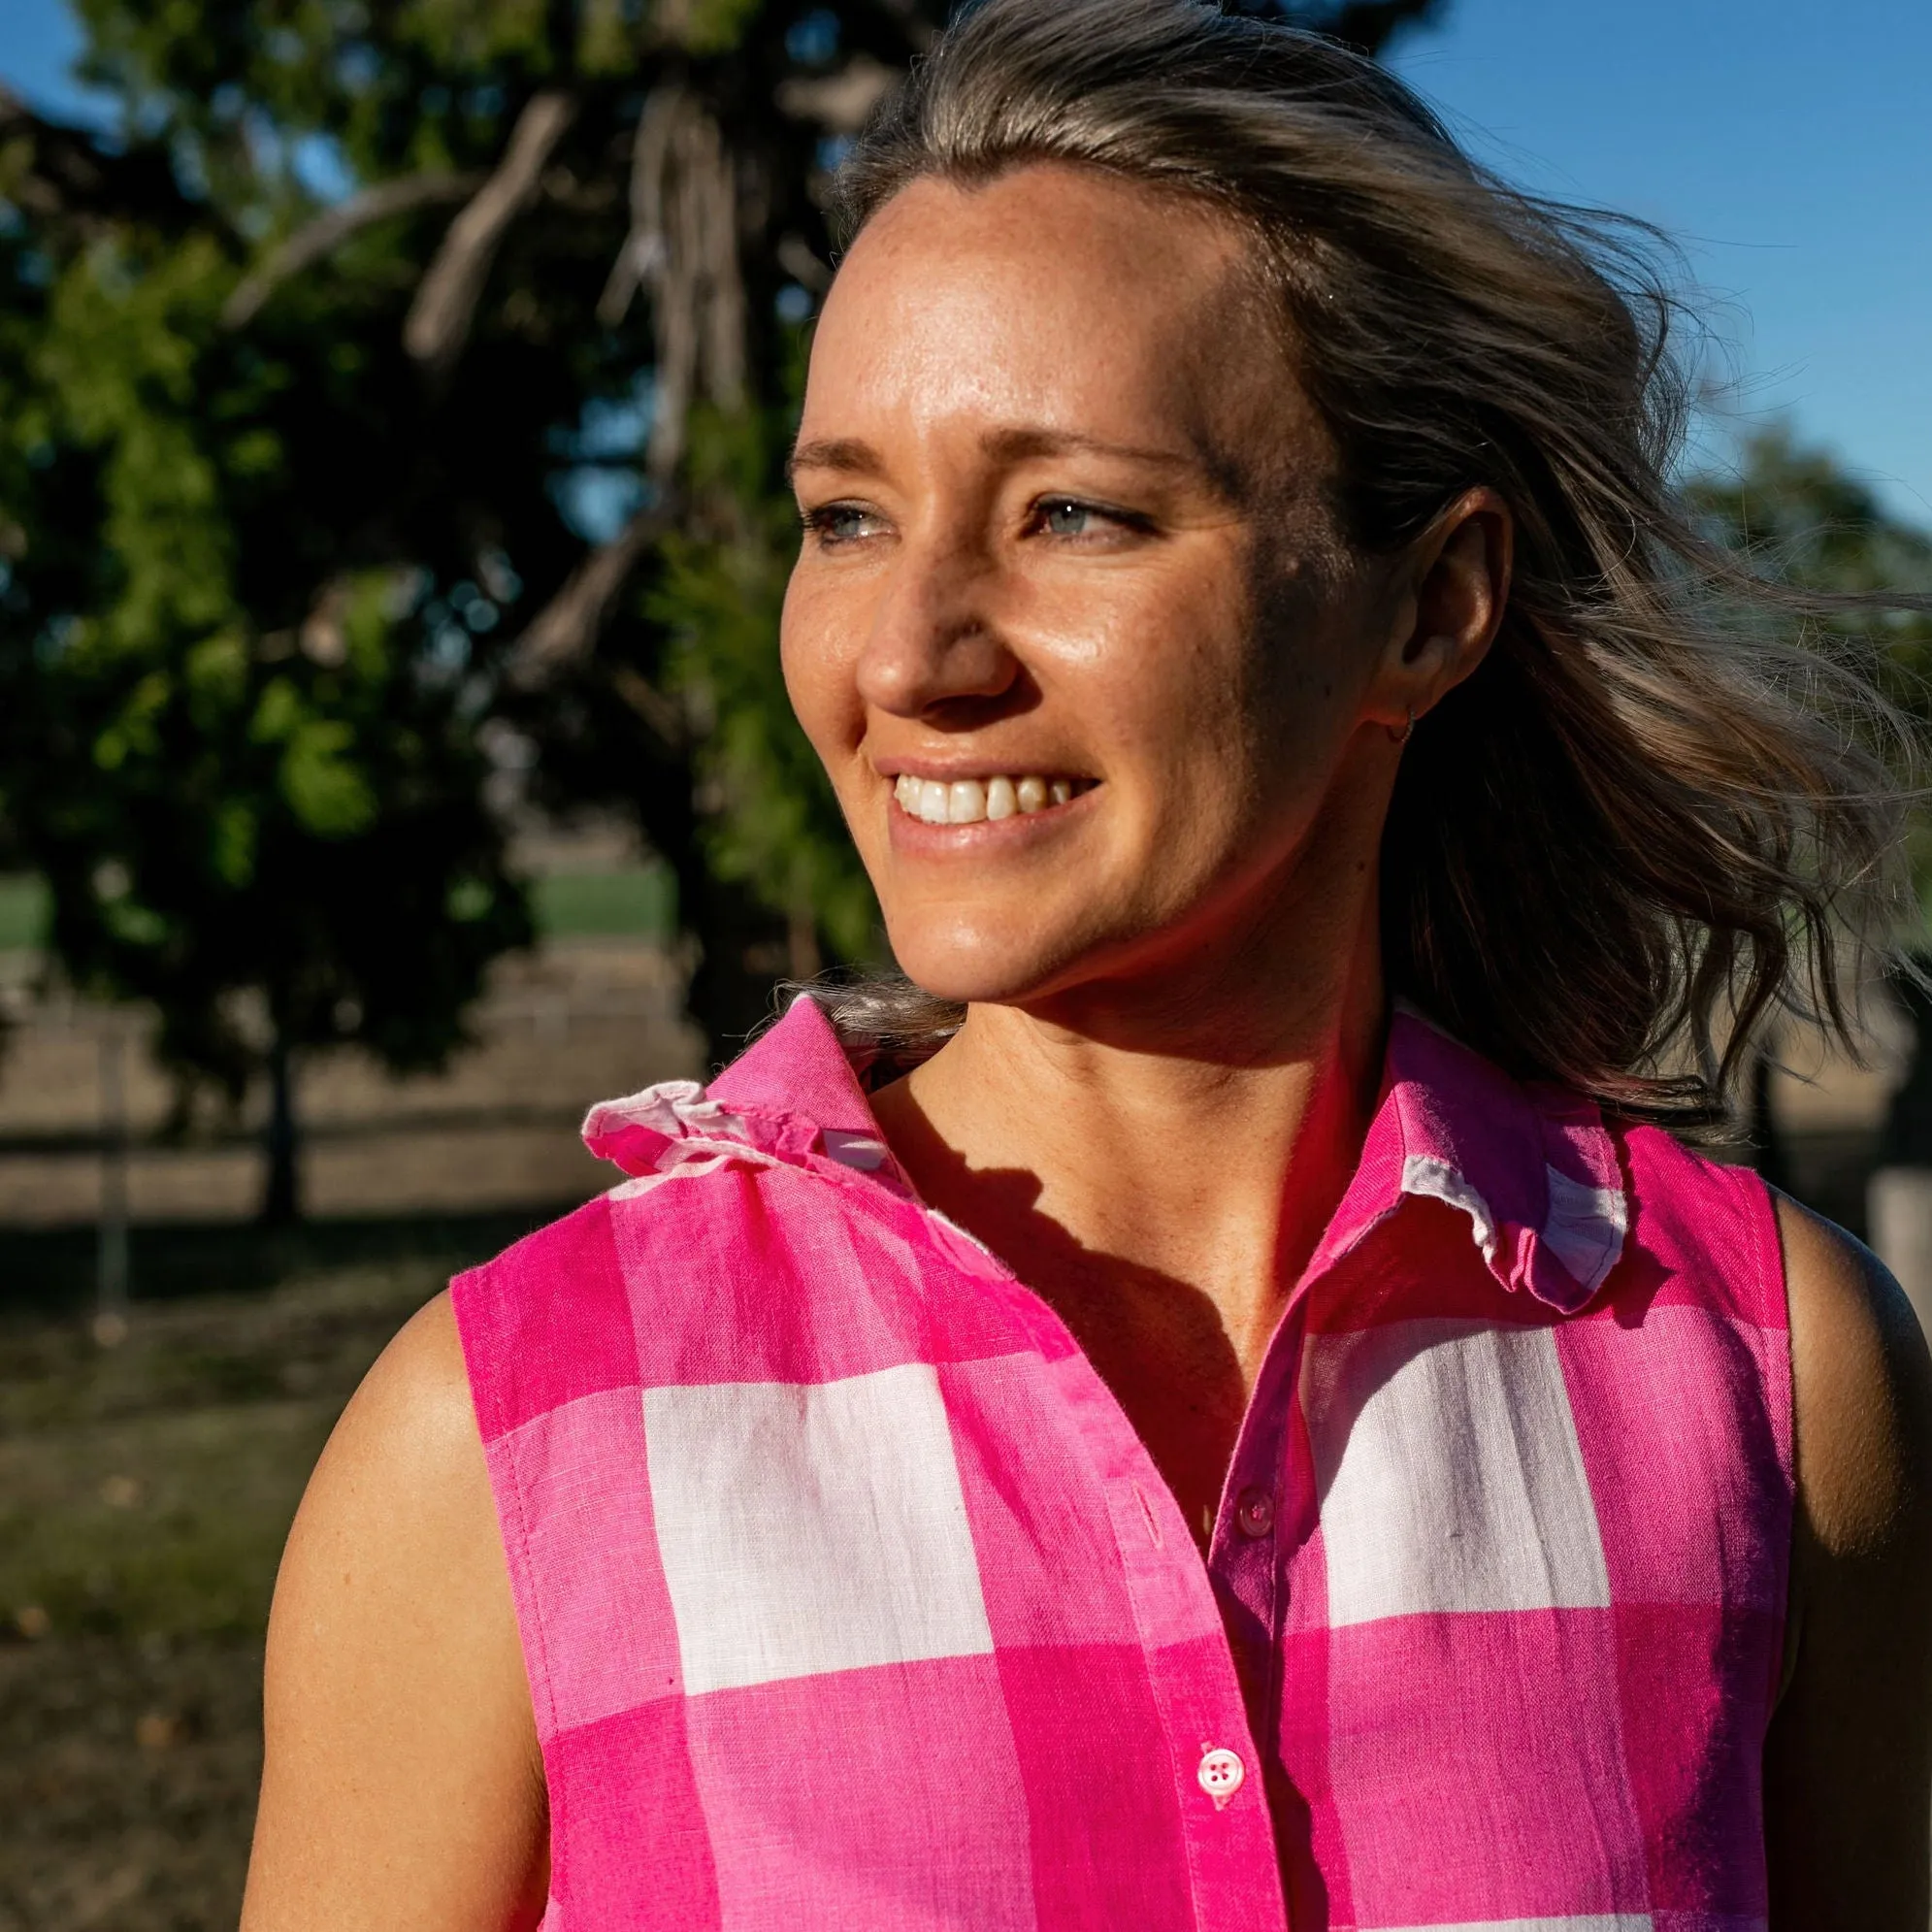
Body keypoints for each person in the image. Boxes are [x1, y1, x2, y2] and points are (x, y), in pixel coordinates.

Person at [240, 2, 1932, 1926]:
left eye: (1072, 513)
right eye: (845, 517)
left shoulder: (1769, 1382)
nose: (910, 655)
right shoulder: (500, 1440)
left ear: (1430, 604)